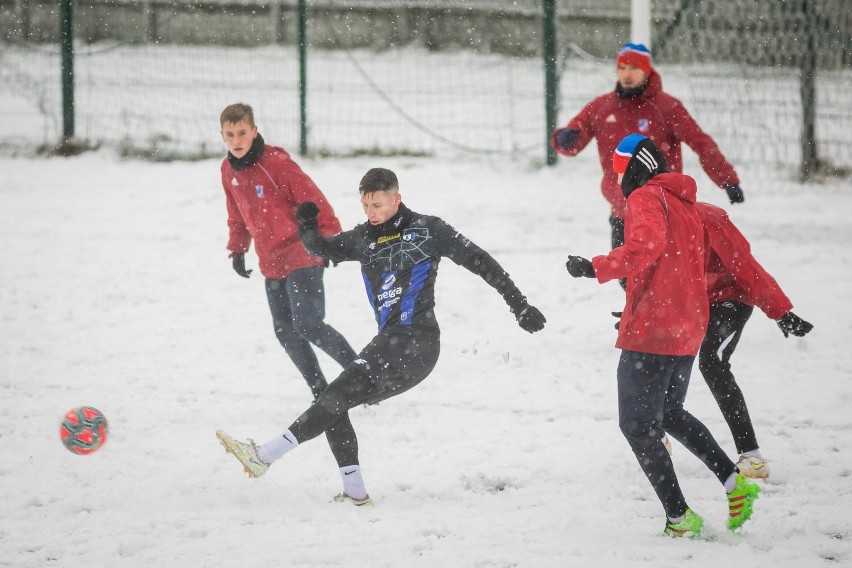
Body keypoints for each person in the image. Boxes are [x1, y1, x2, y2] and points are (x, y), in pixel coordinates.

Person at [216, 167, 546, 505]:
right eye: (365, 206)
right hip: (392, 344)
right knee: (333, 401)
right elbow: (322, 249)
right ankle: (355, 491)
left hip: (417, 342)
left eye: (378, 205)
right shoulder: (364, 238)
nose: (371, 213)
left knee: (333, 397)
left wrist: (518, 304)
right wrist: (307, 225)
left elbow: (480, 260)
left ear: (396, 198)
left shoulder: (429, 230)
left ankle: (265, 456)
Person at [565, 133, 759, 538]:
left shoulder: (645, 198)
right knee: (669, 413)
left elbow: (646, 248)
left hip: (654, 332)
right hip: (686, 325)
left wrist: (595, 266)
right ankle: (732, 481)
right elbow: (674, 267)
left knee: (637, 426)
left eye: (620, 171)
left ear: (635, 168)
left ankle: (680, 519)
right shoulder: (686, 204)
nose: (619, 181)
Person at [219, 103, 362, 498]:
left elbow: (312, 199)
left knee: (309, 324)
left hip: (302, 252)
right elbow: (236, 213)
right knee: (285, 331)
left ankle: (359, 373)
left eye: (242, 134)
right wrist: (237, 249)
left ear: (254, 130)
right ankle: (321, 390)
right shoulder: (228, 171)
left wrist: (329, 240)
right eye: (229, 136)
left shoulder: (276, 164)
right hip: (271, 262)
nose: (236, 142)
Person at [551, 43, 744, 251]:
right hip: (622, 210)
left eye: (634, 68)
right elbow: (575, 138)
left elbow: (701, 143)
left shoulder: (667, 108)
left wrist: (727, 180)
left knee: (662, 277)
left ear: (647, 70)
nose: (627, 74)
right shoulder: (601, 107)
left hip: (662, 209)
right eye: (622, 68)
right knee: (626, 277)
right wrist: (566, 138)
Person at [697, 201, 814, 478]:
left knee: (712, 363)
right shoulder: (650, 215)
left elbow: (744, 265)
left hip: (730, 298)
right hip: (695, 300)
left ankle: (752, 457)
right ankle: (655, 432)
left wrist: (779, 311)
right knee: (661, 357)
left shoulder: (707, 218)